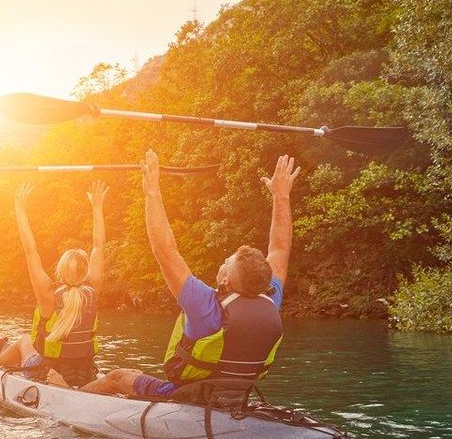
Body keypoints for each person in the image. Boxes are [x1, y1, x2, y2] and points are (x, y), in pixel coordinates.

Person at [84, 151, 300, 398]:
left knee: (119, 377)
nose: (222, 263)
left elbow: (164, 250)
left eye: (225, 263)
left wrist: (152, 190)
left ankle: (70, 395)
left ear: (225, 280)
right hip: (237, 395)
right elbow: (280, 248)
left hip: (185, 395)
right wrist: (281, 196)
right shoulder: (271, 299)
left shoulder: (203, 305)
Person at [0, 181, 108, 388]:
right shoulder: (93, 289)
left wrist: (19, 208)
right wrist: (97, 207)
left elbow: (30, 250)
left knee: (24, 341)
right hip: (86, 373)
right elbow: (99, 246)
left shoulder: (48, 295)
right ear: (84, 270)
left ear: (61, 269)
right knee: (27, 341)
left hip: (48, 373)